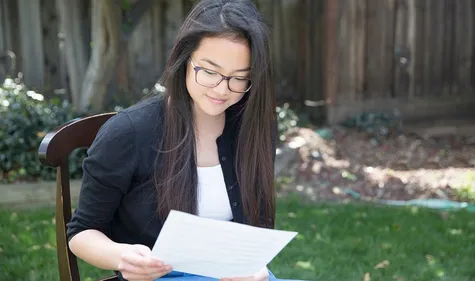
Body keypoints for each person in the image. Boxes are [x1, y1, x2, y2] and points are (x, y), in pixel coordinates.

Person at [66, 0, 303, 280]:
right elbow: (82, 232)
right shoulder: (128, 133)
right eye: (210, 71)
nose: (222, 88)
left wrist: (254, 270)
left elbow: (253, 231)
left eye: (239, 78)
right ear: (184, 59)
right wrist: (123, 256)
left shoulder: (252, 128)